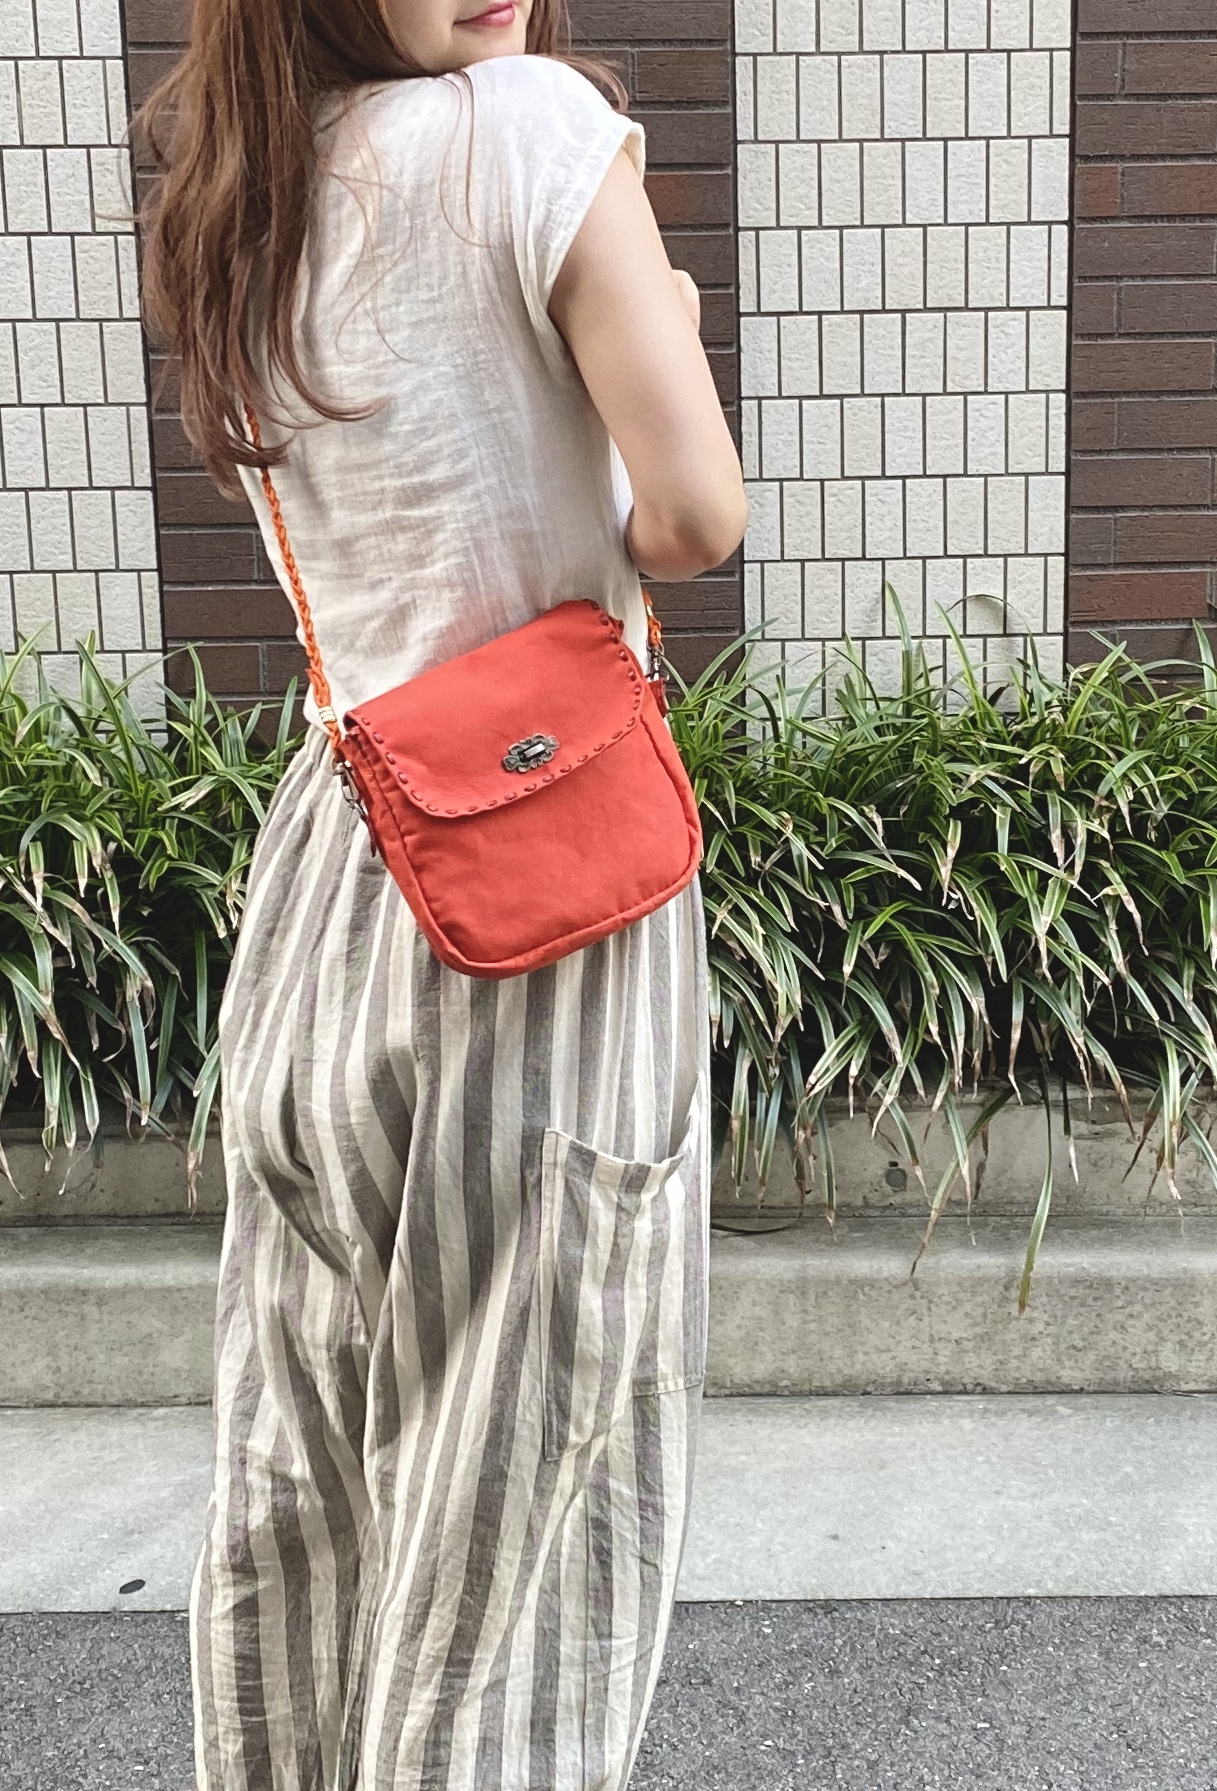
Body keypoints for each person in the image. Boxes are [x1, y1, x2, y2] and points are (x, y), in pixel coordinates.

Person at [136, 0, 747, 1784]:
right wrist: (647, 366)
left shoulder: (238, 193)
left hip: (333, 874)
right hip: (543, 897)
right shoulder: (536, 127)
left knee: (303, 1480)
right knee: (520, 1528)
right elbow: (694, 514)